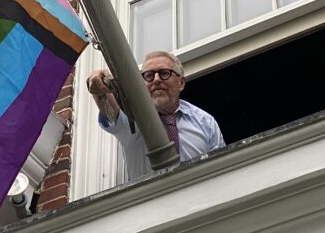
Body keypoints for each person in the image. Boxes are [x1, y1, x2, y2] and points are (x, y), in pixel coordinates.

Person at [86, 50, 225, 180]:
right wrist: (97, 82)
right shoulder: (132, 121)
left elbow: (222, 169)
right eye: (149, 75)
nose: (156, 79)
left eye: (164, 73)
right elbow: (106, 104)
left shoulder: (205, 122)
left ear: (181, 83)